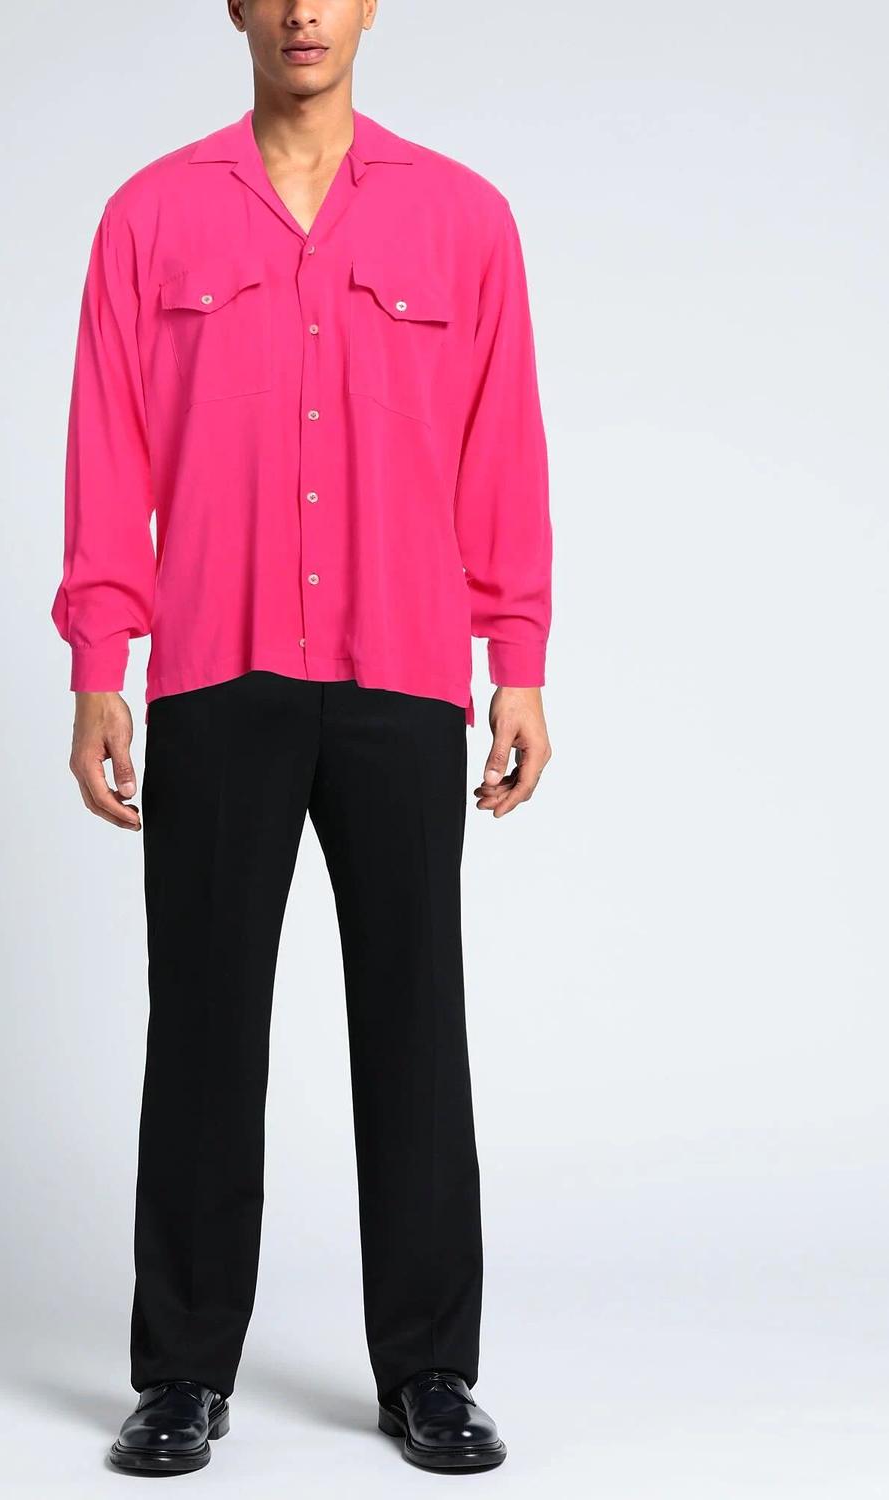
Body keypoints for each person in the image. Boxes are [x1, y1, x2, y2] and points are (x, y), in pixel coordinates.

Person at [50, 0, 552, 1476]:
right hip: (218, 669)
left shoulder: (464, 219)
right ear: (234, 5)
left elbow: (502, 446)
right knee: (204, 1028)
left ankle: (430, 1373)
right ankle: (180, 1374)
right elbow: (107, 445)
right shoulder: (151, 217)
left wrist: (516, 659)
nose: (301, 11)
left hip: (405, 672)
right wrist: (99, 661)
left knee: (414, 1026)